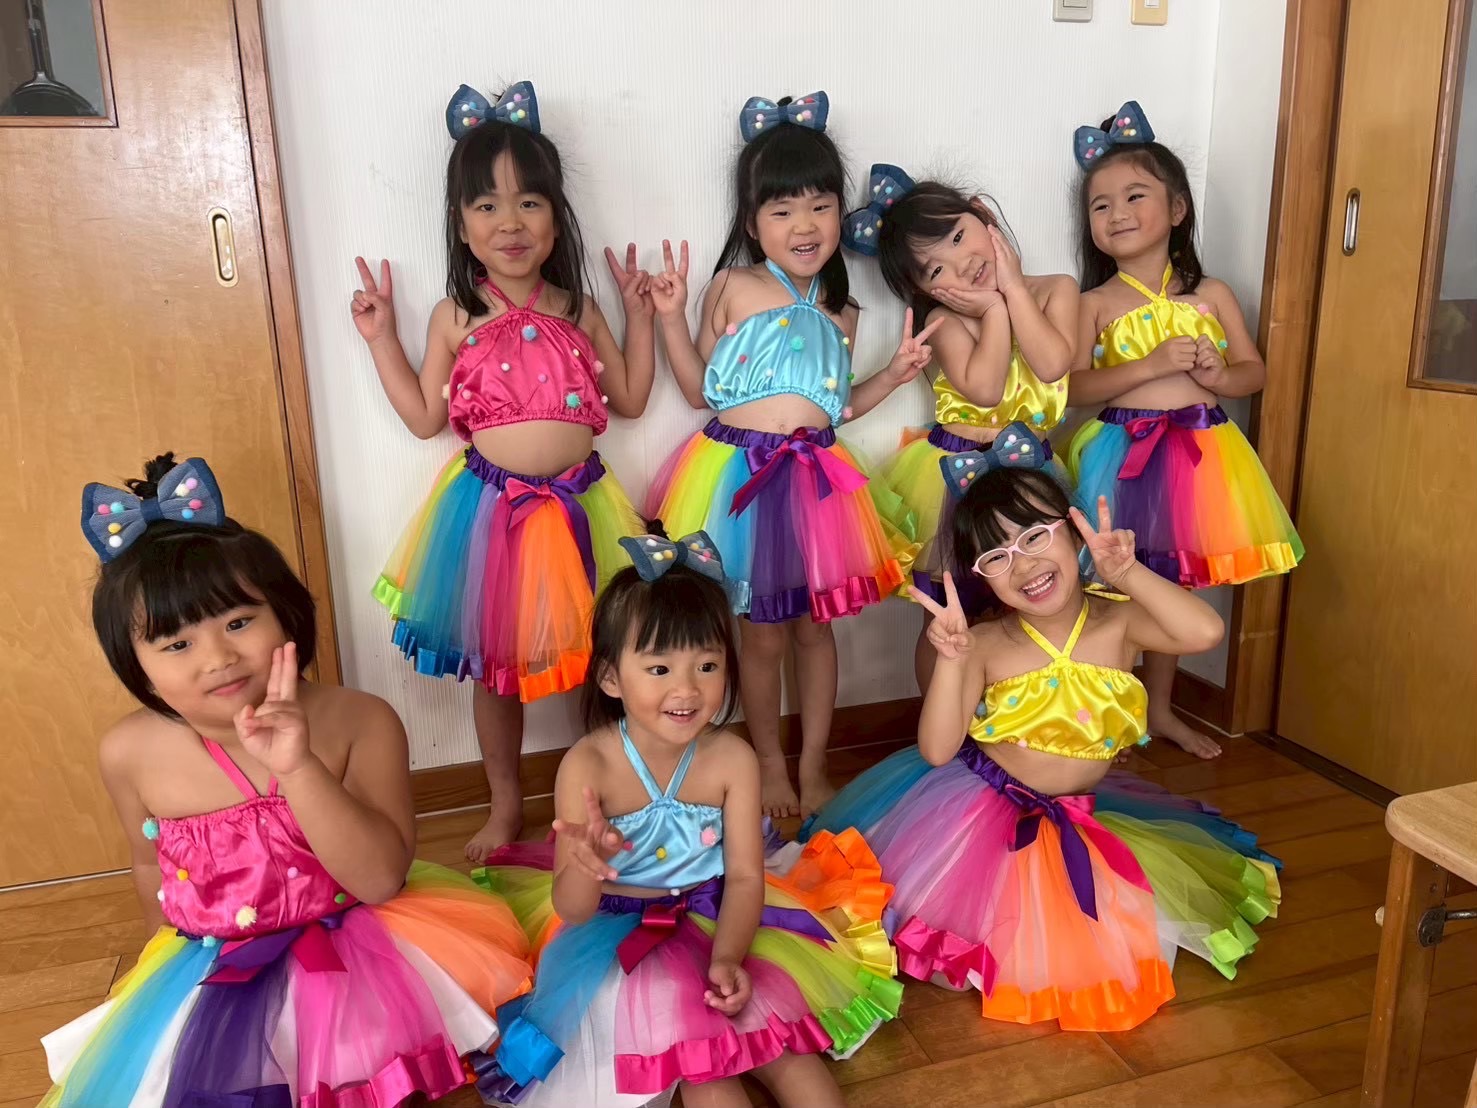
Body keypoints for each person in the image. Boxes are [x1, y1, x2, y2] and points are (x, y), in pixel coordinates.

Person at [44, 453, 534, 1107]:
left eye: (238, 622)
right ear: (134, 665)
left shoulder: (360, 721)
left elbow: (380, 880)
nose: (219, 657)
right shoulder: (129, 752)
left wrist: (299, 768)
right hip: (219, 968)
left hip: (358, 958)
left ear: (286, 614)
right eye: (176, 644)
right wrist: (165, 988)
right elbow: (147, 867)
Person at [802, 448, 1281, 1031]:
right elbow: (937, 750)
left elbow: (1204, 631)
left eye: (1035, 536)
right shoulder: (985, 643)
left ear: (1074, 530)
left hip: (1074, 809)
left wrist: (1127, 573)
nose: (1024, 564)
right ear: (980, 576)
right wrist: (951, 660)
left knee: (1105, 925)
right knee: (978, 931)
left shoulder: (1120, 620)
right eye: (997, 557)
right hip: (980, 810)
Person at [474, 527, 900, 1107]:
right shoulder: (587, 765)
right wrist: (586, 865)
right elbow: (573, 910)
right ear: (610, 677)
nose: (687, 689)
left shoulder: (731, 758)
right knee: (710, 1080)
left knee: (794, 1063)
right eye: (659, 669)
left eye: (707, 665)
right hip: (618, 937)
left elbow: (745, 877)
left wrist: (728, 957)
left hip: (719, 914)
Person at [353, 81, 654, 859]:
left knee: (604, 654)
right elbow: (423, 417)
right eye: (486, 205)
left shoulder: (578, 308)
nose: (510, 223)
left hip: (583, 507)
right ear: (461, 225)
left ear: (556, 218)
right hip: (493, 515)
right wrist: (381, 340)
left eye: (529, 203)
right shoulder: (455, 314)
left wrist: (642, 318)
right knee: (497, 672)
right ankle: (503, 801)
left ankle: (610, 787)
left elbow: (629, 397)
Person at [646, 92, 931, 818]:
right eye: (781, 210)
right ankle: (769, 765)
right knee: (761, 637)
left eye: (819, 206)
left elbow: (836, 408)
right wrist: (671, 318)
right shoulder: (732, 287)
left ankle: (814, 765)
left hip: (816, 481)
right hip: (739, 478)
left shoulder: (843, 310)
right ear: (752, 223)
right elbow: (697, 388)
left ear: (839, 212)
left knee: (816, 630)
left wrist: (893, 377)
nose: (804, 225)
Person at [1066, 100, 1304, 758]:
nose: (1116, 213)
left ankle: (1163, 709)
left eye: (1134, 196)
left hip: (1201, 454)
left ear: (1176, 209)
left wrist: (1217, 375)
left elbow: (1254, 372)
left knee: (1175, 585)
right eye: (1100, 205)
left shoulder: (1211, 294)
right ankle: (1111, 715)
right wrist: (1146, 365)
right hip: (1124, 455)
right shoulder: (1093, 303)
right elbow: (1072, 388)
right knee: (1114, 586)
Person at [852, 166, 1078, 692]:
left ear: (982, 213)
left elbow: (1051, 365)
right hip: (955, 476)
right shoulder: (944, 321)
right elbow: (985, 389)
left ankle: (1018, 716)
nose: (962, 264)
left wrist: (1013, 289)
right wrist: (994, 309)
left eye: (958, 237)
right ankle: (942, 725)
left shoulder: (1056, 290)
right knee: (950, 615)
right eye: (936, 269)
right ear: (921, 289)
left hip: (1030, 473)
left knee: (1031, 608)